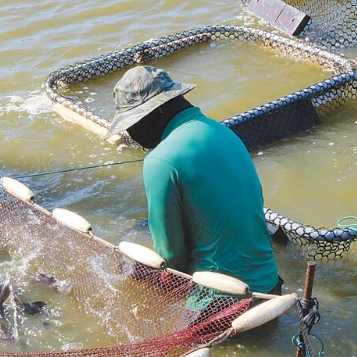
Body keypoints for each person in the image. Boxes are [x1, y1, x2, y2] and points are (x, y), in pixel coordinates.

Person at [106, 65, 282, 297]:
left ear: (152, 113)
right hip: (270, 285)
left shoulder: (159, 161)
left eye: (131, 125)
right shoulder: (222, 131)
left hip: (221, 298)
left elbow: (171, 258)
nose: (132, 135)